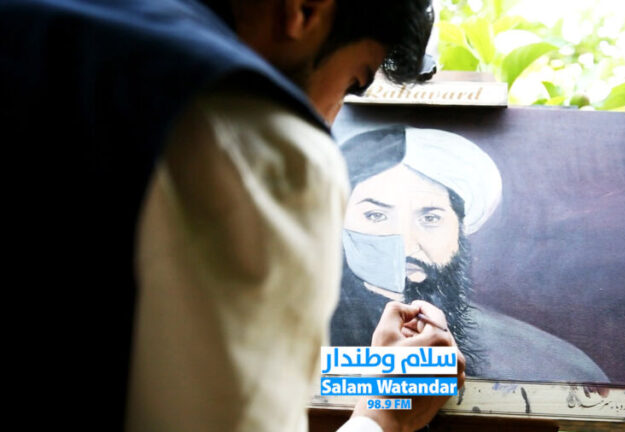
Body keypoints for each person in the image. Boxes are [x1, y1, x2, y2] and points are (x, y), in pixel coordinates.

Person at [0, 0, 464, 431]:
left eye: (430, 217)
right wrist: (381, 416)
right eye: (349, 84)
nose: (329, 121)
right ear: (304, 10)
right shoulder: (263, 142)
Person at [331, 126, 609, 382]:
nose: (406, 245)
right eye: (375, 216)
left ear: (460, 231)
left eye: (430, 218)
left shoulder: (551, 365)